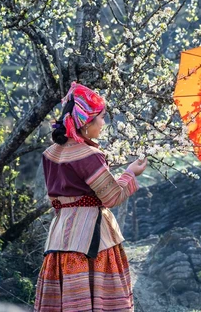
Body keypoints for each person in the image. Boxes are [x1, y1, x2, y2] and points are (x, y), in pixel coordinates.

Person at [34, 82, 147, 312]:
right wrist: (130, 173)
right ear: (86, 121)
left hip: (60, 237)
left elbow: (54, 199)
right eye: (101, 117)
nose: (103, 124)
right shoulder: (89, 155)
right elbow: (112, 197)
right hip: (92, 239)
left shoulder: (51, 153)